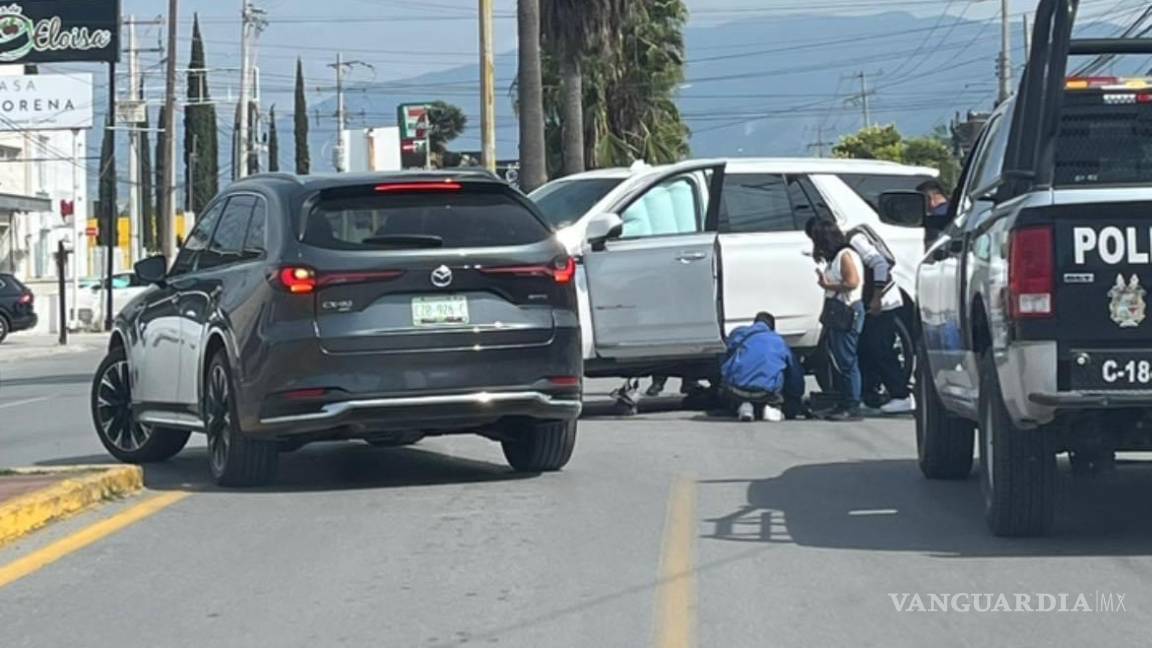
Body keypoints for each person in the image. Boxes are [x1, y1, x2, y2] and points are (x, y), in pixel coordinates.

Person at [806, 217, 915, 414]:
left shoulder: (855, 242)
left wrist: (876, 297)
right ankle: (870, 393)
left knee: (880, 348)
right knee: (865, 349)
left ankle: (901, 395)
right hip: (870, 302)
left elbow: (880, 265)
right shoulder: (844, 248)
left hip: (883, 302)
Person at [807, 220, 865, 421]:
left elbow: (852, 282)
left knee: (847, 359)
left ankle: (853, 404)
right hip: (836, 311)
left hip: (847, 310)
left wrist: (828, 284)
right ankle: (843, 400)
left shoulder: (845, 255)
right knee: (839, 358)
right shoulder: (835, 258)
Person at [721, 312, 806, 422]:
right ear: (772, 327)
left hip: (736, 390)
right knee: (780, 368)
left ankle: (744, 404)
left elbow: (725, 359)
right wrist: (795, 397)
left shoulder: (738, 334)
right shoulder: (779, 342)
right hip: (766, 392)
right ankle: (771, 406)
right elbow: (795, 375)